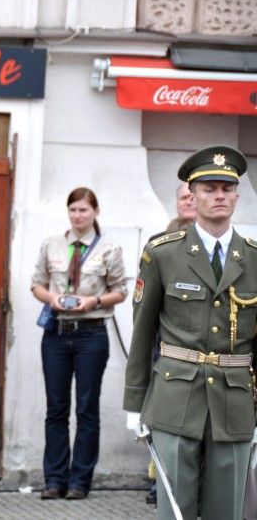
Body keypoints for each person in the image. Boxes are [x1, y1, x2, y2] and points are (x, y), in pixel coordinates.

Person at [124, 145, 255, 520]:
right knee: (175, 509)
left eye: (226, 189)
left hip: (234, 403)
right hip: (175, 396)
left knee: (227, 510)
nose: (219, 196)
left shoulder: (254, 258)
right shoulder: (163, 254)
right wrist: (135, 402)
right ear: (192, 196)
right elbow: (142, 334)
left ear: (236, 196)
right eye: (210, 188)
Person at [30, 187, 127, 500]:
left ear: (95, 212)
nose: (78, 215)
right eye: (73, 209)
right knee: (56, 409)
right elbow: (37, 284)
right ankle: (55, 480)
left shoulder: (109, 248)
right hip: (57, 333)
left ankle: (79, 482)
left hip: (91, 334)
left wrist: (93, 300)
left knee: (87, 408)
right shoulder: (52, 244)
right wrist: (52, 297)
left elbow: (121, 291)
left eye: (84, 210)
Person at [145, 181, 196, 506]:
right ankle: (158, 481)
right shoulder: (158, 244)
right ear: (176, 202)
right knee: (162, 418)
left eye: (194, 195)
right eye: (184, 197)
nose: (190, 201)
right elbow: (146, 303)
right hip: (165, 346)